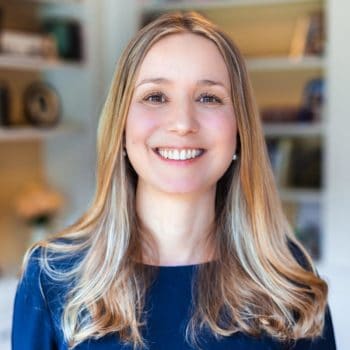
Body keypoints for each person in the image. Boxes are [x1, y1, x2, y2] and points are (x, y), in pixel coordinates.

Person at [12, 11, 336, 350]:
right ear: (121, 127)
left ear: (240, 130)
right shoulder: (51, 278)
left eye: (209, 97)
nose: (182, 123)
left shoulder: (289, 283)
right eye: (155, 96)